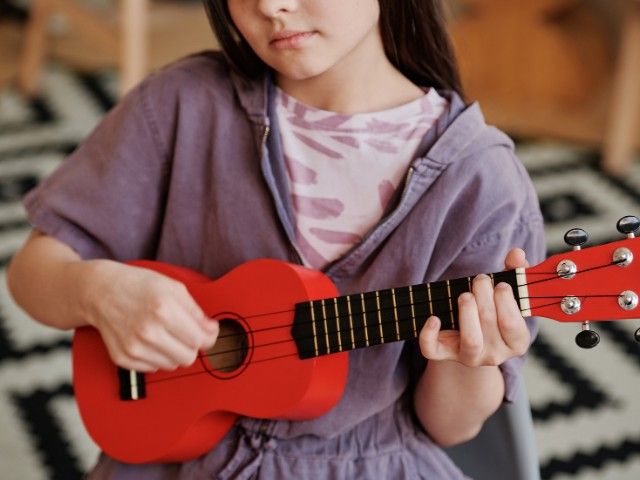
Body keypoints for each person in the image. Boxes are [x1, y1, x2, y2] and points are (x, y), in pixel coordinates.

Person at [6, 0, 545, 478]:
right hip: (167, 455)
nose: (272, 6)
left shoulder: (481, 183)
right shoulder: (180, 103)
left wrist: (470, 356)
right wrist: (97, 292)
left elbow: (450, 428)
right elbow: (33, 271)